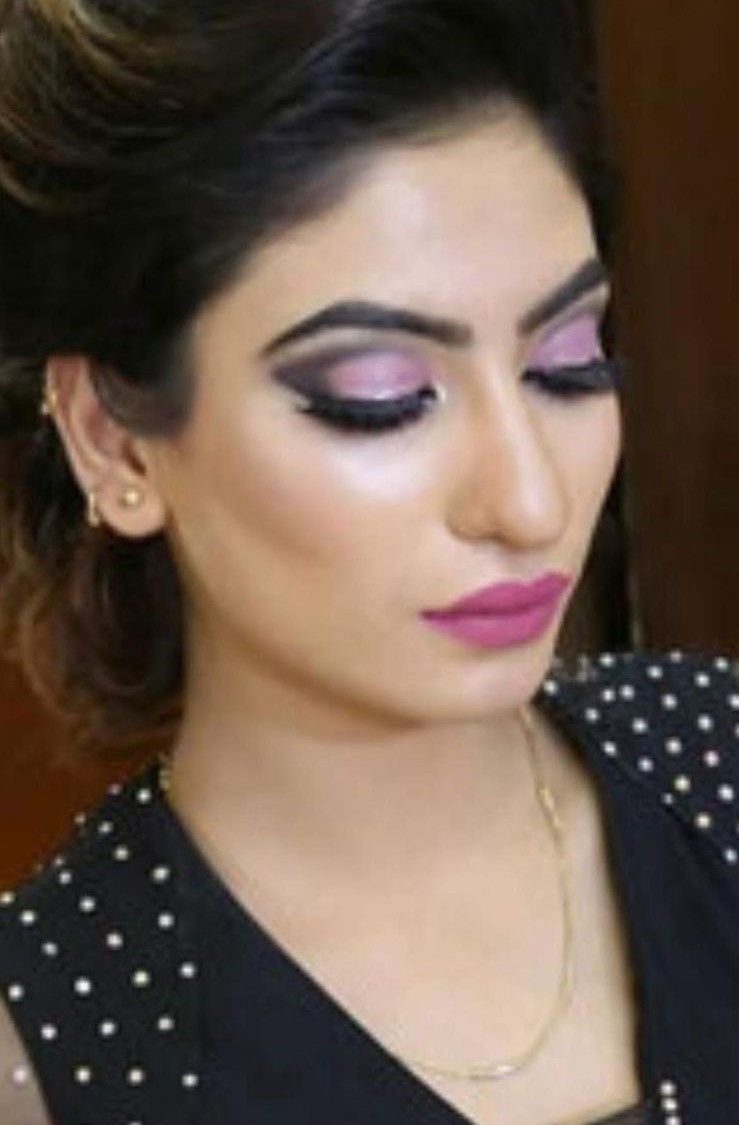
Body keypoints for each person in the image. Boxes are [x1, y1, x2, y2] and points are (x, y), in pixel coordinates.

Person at [0, 0, 737, 1122]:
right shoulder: (48, 1048)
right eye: (378, 398)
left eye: (568, 364)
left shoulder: (716, 757)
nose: (528, 500)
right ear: (115, 440)